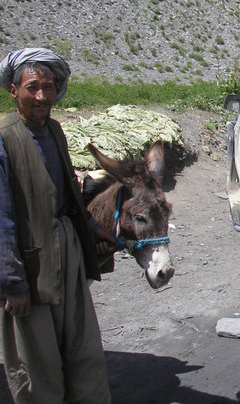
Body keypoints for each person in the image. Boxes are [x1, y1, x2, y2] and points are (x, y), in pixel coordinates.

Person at [0, 48, 113, 404]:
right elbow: (1, 220)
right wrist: (13, 284)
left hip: (68, 255)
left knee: (84, 351)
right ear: (13, 90)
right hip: (29, 266)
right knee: (38, 365)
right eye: (32, 87)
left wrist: (93, 226)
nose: (42, 96)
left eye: (48, 87)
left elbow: (67, 194)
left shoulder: (55, 131)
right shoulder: (4, 138)